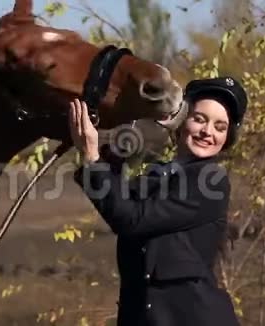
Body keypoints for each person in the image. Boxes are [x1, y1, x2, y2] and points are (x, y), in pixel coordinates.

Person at [70, 76, 247, 326]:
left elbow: (131, 219)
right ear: (180, 121)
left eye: (220, 127)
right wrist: (100, 143)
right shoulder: (157, 176)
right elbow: (117, 200)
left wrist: (91, 157)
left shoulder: (211, 181)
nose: (208, 132)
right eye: (199, 119)